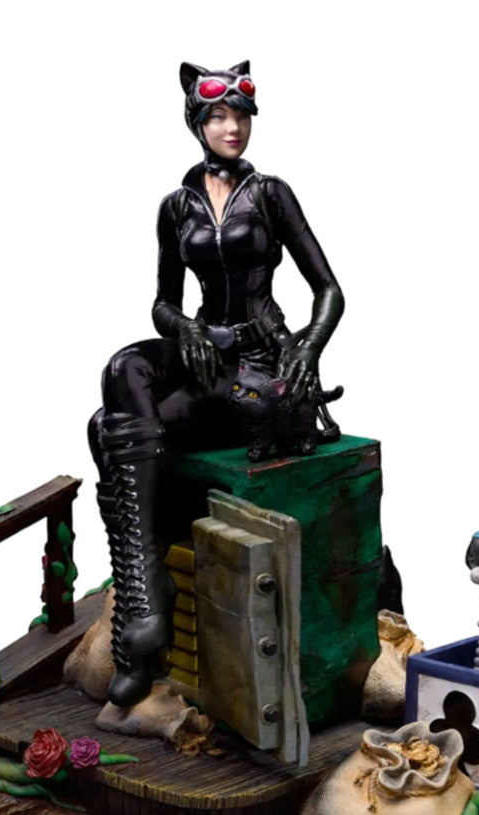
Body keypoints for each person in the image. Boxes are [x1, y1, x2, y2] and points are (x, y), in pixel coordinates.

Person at [89, 60, 344, 707]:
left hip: (260, 365)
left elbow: (329, 290)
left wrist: (309, 347)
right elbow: (162, 302)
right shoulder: (177, 207)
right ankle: (147, 594)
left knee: (104, 428)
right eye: (219, 116)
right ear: (197, 123)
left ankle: (139, 620)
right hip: (206, 357)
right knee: (123, 369)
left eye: (241, 116)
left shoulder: (271, 194)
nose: (233, 128)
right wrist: (185, 329)